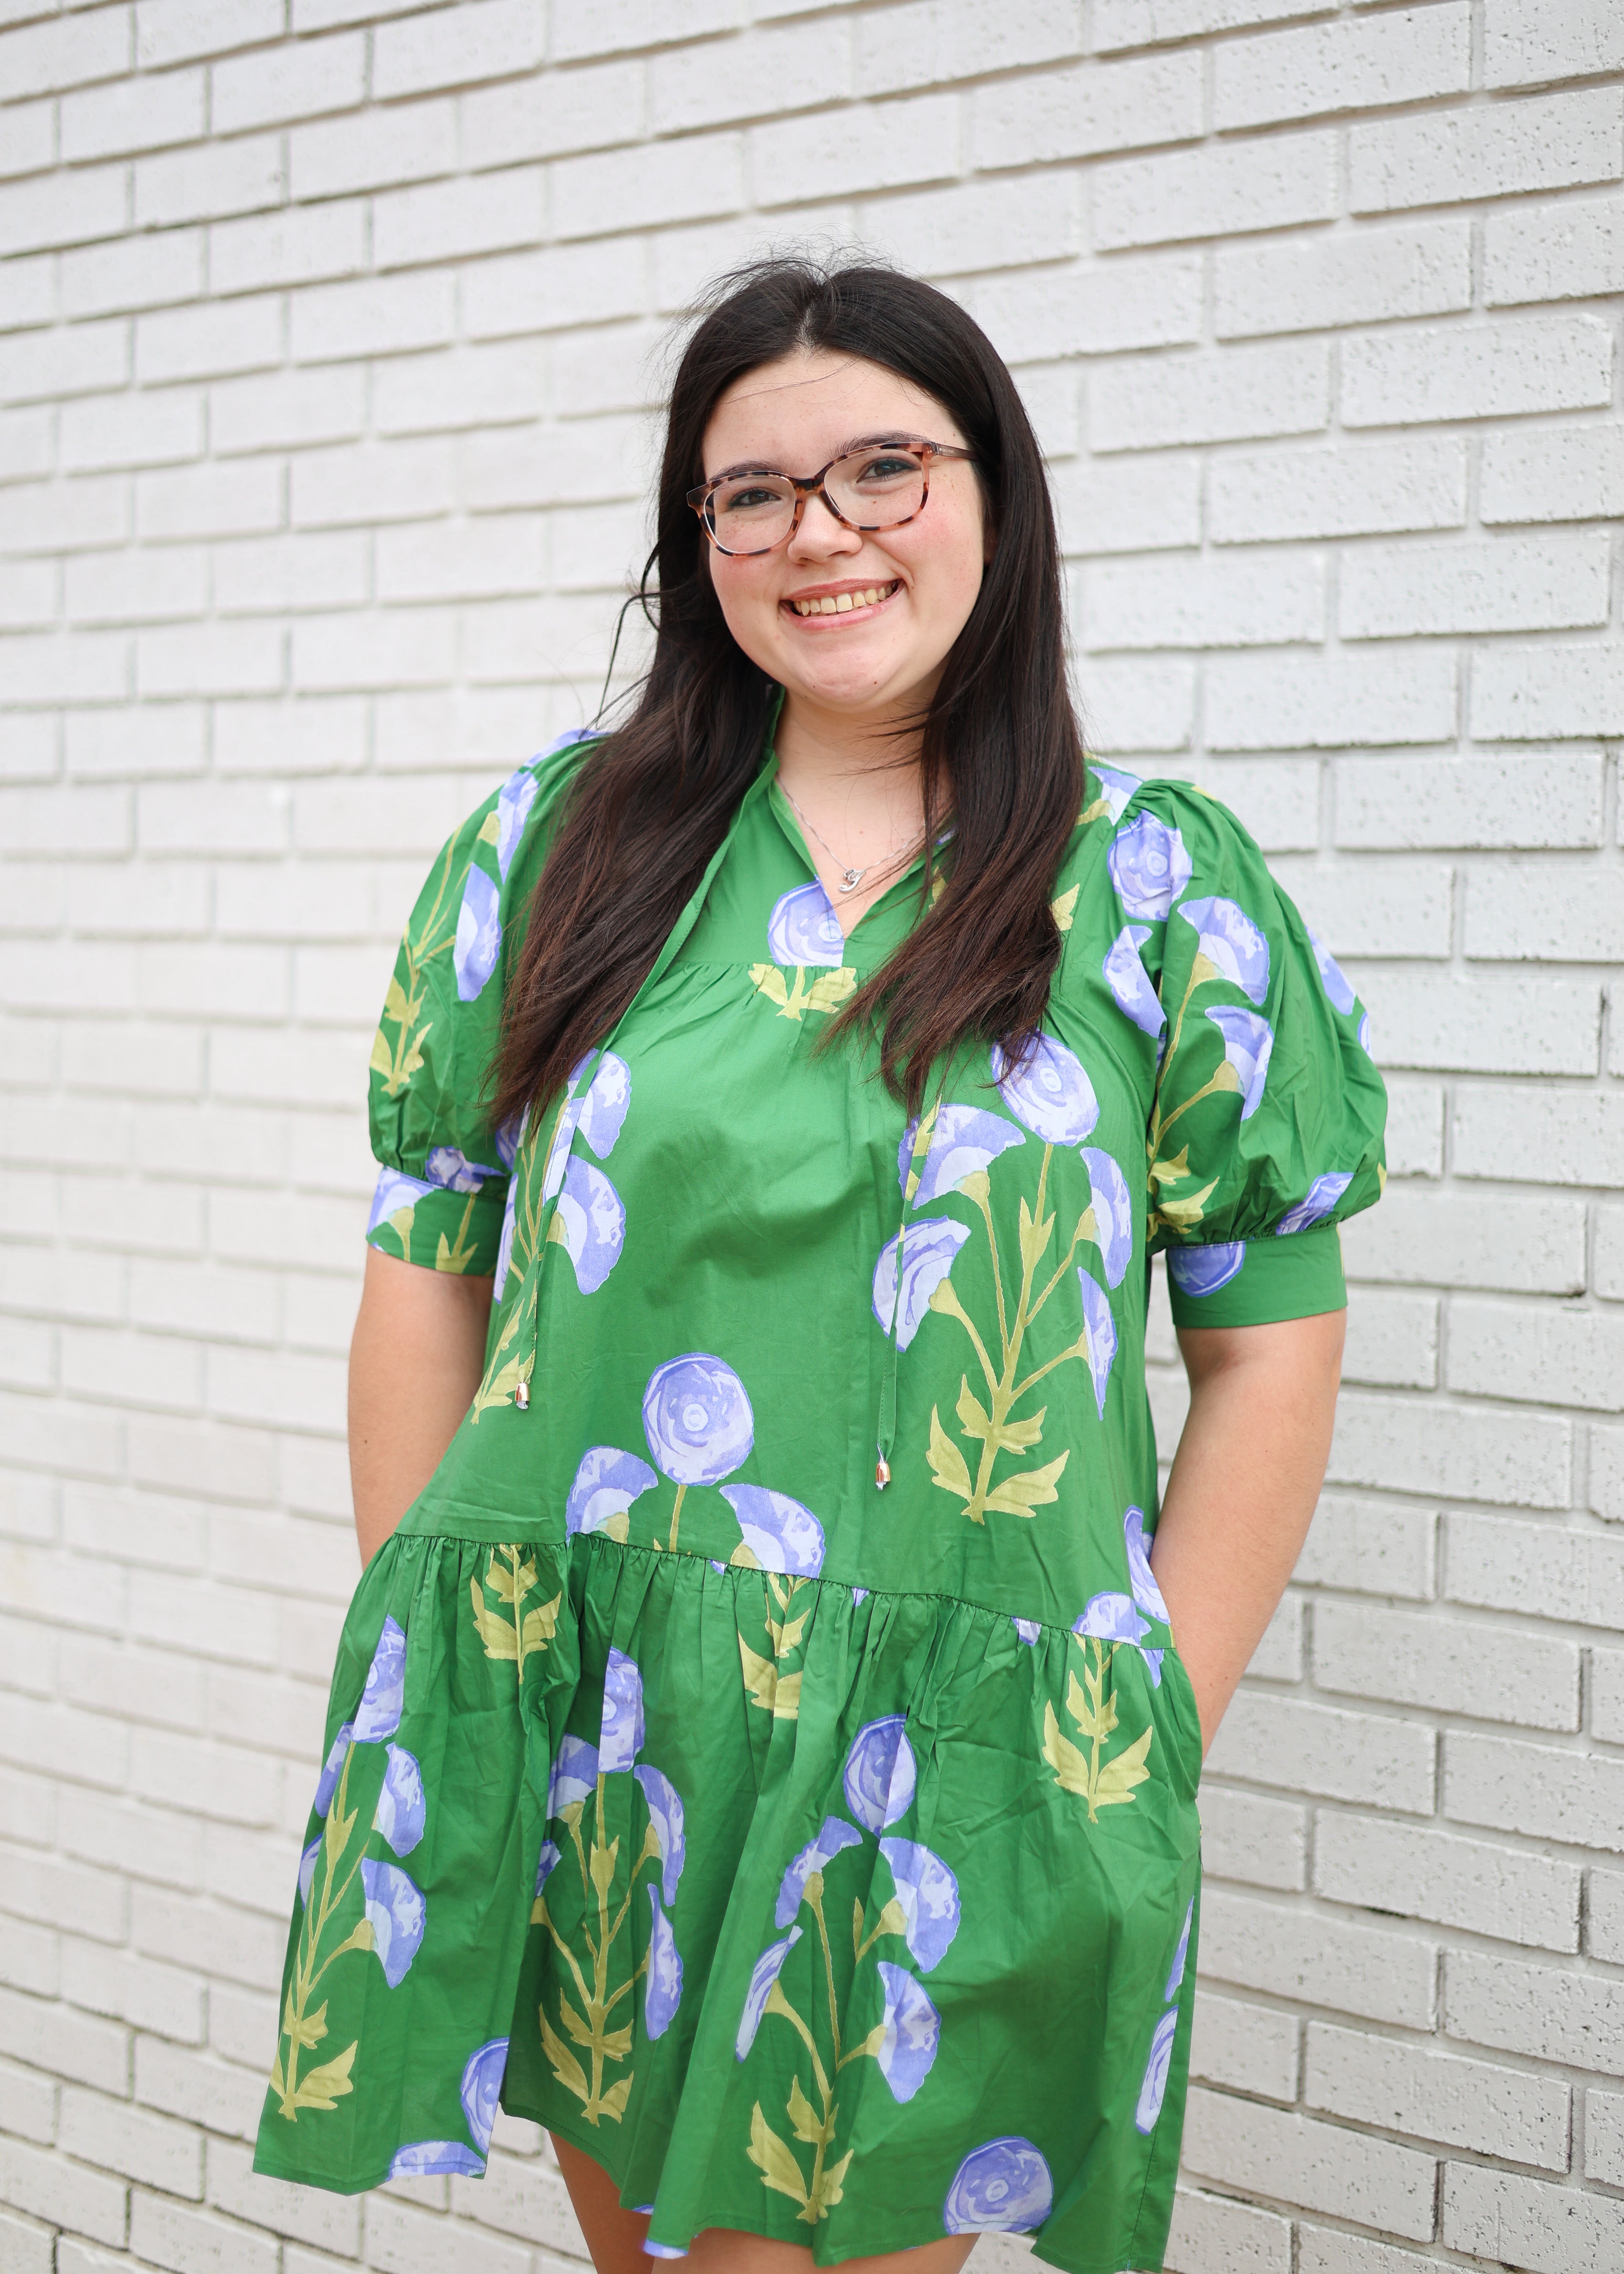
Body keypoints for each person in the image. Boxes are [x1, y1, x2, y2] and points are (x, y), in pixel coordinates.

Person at [254, 257, 1385, 2274]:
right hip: (608, 1722)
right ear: (699, 547)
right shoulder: (558, 848)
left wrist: (1130, 1743)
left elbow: (1272, 1353)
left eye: (884, 466)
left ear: (994, 494)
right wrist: (445, 1665)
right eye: (751, 492)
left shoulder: (1153, 891)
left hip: (948, 1763)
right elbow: (428, 1257)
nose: (821, 532)